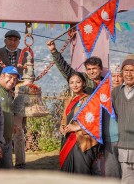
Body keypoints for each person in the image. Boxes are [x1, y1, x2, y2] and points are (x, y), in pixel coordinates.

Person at [47, 41, 103, 175]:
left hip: (89, 135)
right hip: (72, 137)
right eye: (88, 69)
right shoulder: (79, 88)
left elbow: (96, 116)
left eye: (94, 68)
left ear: (100, 69)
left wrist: (78, 127)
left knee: (87, 171)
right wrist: (54, 51)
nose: (91, 71)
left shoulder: (107, 84)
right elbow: (66, 70)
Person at [0, 29, 27, 169]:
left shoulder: (25, 54)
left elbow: (29, 72)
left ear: (19, 41)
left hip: (17, 94)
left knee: (19, 130)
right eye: (10, 39)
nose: (12, 42)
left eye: (15, 40)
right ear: (5, 40)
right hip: (1, 91)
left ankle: (20, 162)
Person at [59, 72, 98, 174]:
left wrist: (77, 127)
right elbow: (65, 118)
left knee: (81, 172)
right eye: (71, 82)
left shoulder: (90, 100)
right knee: (66, 172)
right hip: (67, 139)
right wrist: (62, 126)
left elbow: (95, 120)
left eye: (78, 82)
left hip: (82, 140)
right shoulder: (69, 100)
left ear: (84, 83)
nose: (75, 85)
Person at [112, 54, 134, 184]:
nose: (129, 74)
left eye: (132, 70)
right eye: (126, 70)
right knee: (126, 180)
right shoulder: (116, 92)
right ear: (122, 73)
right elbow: (116, 114)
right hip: (124, 146)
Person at [0, 66, 21, 169]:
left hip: (7, 141)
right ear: (2, 76)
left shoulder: (8, 92)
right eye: (9, 77)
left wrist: (12, 125)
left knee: (7, 174)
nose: (12, 81)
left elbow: (6, 112)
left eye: (15, 79)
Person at [103, 64, 123, 178]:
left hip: (127, 139)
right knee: (111, 173)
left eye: (119, 76)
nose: (116, 79)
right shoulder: (103, 94)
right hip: (109, 139)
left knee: (128, 173)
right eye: (113, 76)